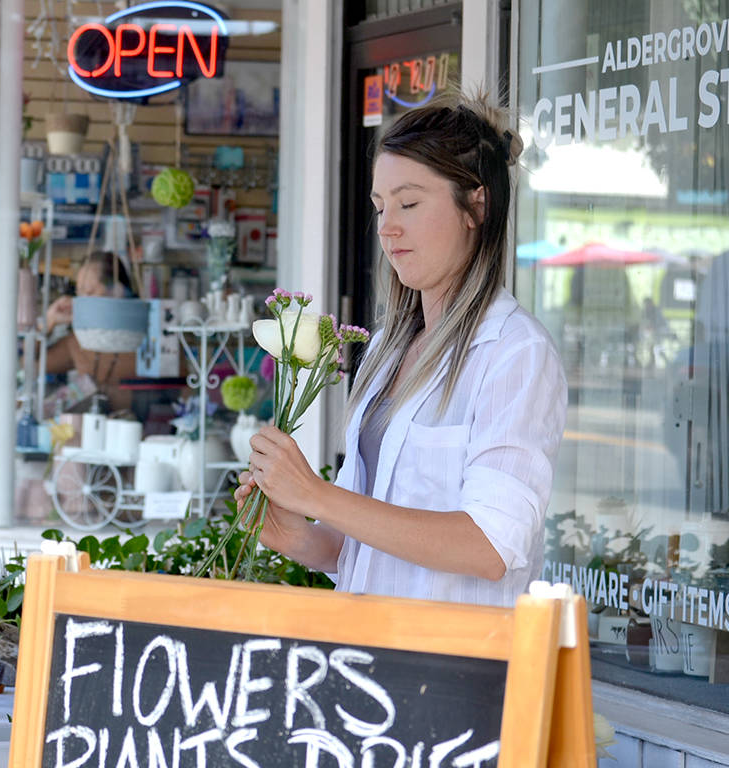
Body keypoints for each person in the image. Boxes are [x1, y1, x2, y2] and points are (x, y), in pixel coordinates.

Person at [236, 95, 567, 606]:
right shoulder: (388, 350)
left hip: (454, 671)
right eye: (380, 206)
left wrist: (316, 494)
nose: (387, 227)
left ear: (475, 206)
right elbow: (359, 548)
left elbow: (490, 545)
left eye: (409, 204)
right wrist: (296, 533)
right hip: (367, 663)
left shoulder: (514, 353)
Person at [43, 252, 140, 413]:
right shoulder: (79, 340)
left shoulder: (144, 336)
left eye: (89, 292)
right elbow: (30, 365)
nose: (81, 300)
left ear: (117, 291)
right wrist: (49, 322)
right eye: (79, 293)